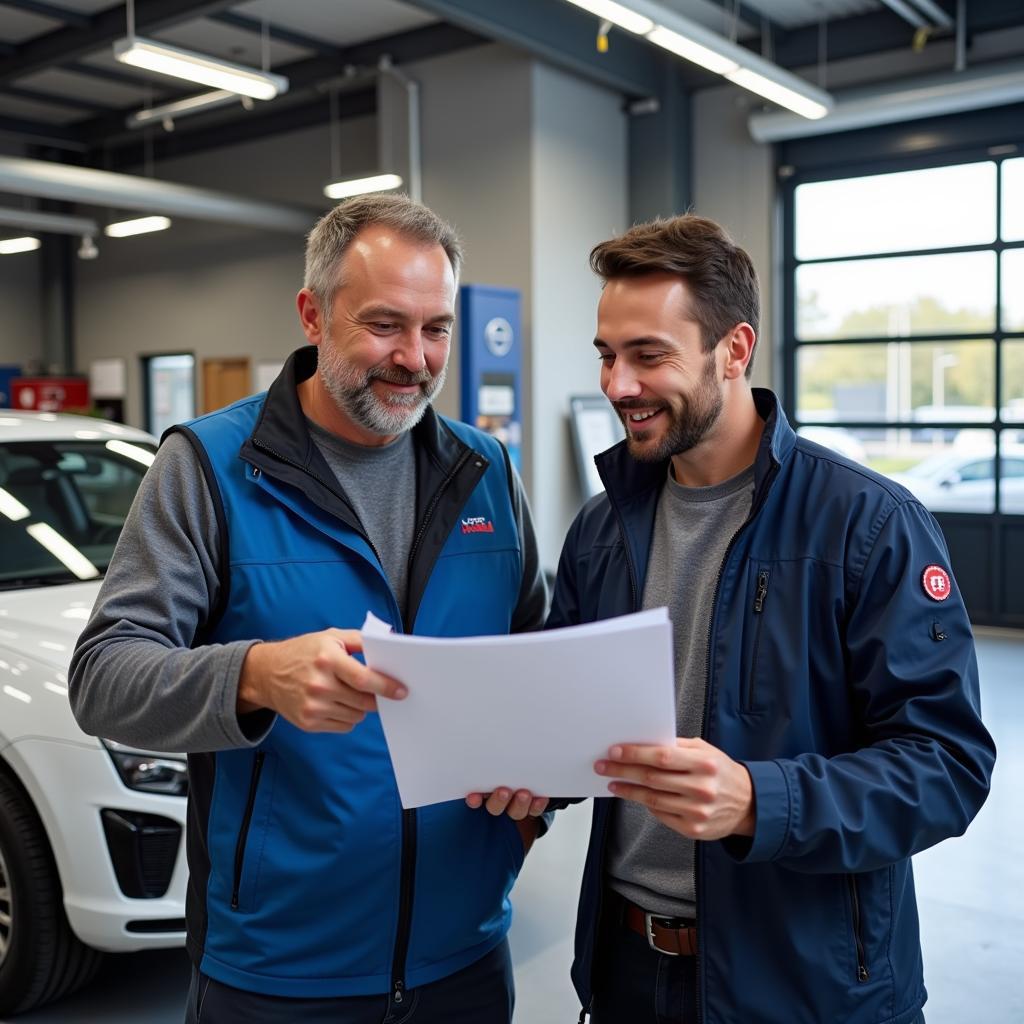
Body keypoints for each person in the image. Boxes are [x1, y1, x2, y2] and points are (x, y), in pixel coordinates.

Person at [69, 194, 548, 1024]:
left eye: (436, 328)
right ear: (313, 314)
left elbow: (541, 664)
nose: (416, 358)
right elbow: (103, 678)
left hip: (464, 956)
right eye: (385, 325)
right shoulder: (209, 467)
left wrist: (539, 795)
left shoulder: (487, 470)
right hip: (278, 973)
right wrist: (253, 675)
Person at [545, 213, 996, 1024]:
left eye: (649, 355)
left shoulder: (867, 525)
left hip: (806, 988)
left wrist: (760, 799)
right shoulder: (600, 530)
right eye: (608, 356)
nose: (617, 385)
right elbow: (567, 720)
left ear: (735, 350)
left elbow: (946, 765)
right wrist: (518, 775)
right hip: (624, 974)